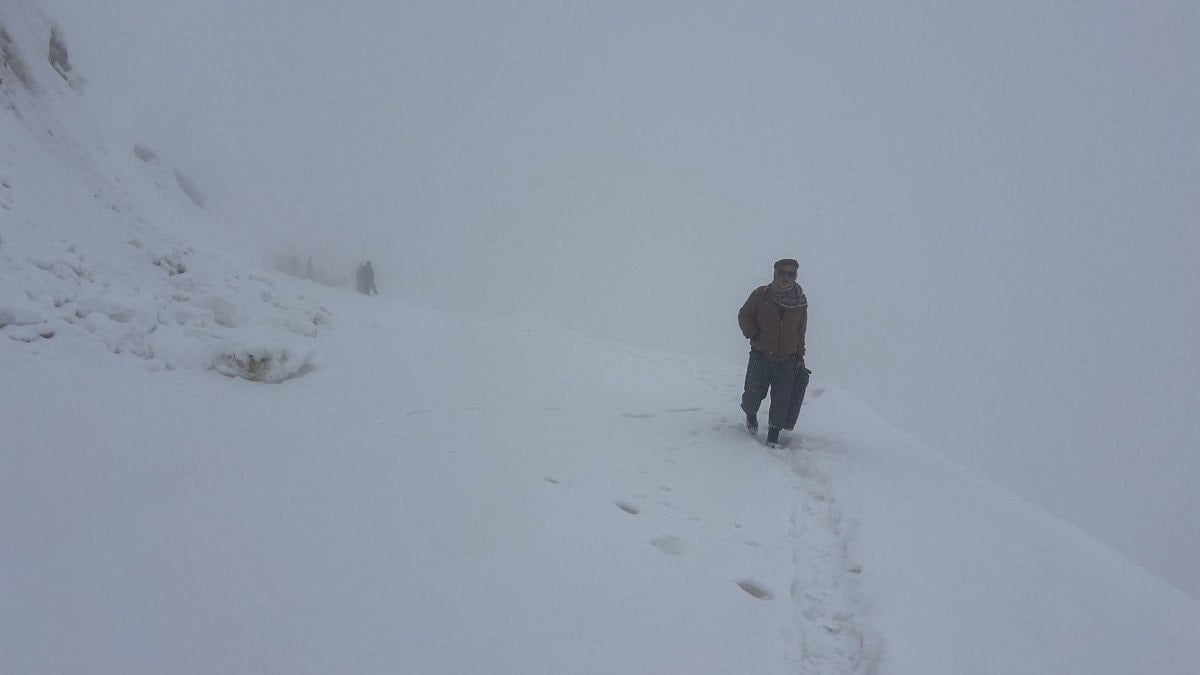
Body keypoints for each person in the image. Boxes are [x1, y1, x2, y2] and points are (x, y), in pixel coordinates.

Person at [738, 258, 809, 445]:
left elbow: (800, 332)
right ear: (775, 273)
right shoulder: (761, 294)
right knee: (752, 396)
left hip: (787, 360)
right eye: (782, 273)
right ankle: (751, 415)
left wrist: (800, 357)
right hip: (760, 355)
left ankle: (773, 436)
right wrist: (753, 334)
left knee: (781, 400)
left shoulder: (800, 302)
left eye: (791, 274)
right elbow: (744, 314)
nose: (786, 277)